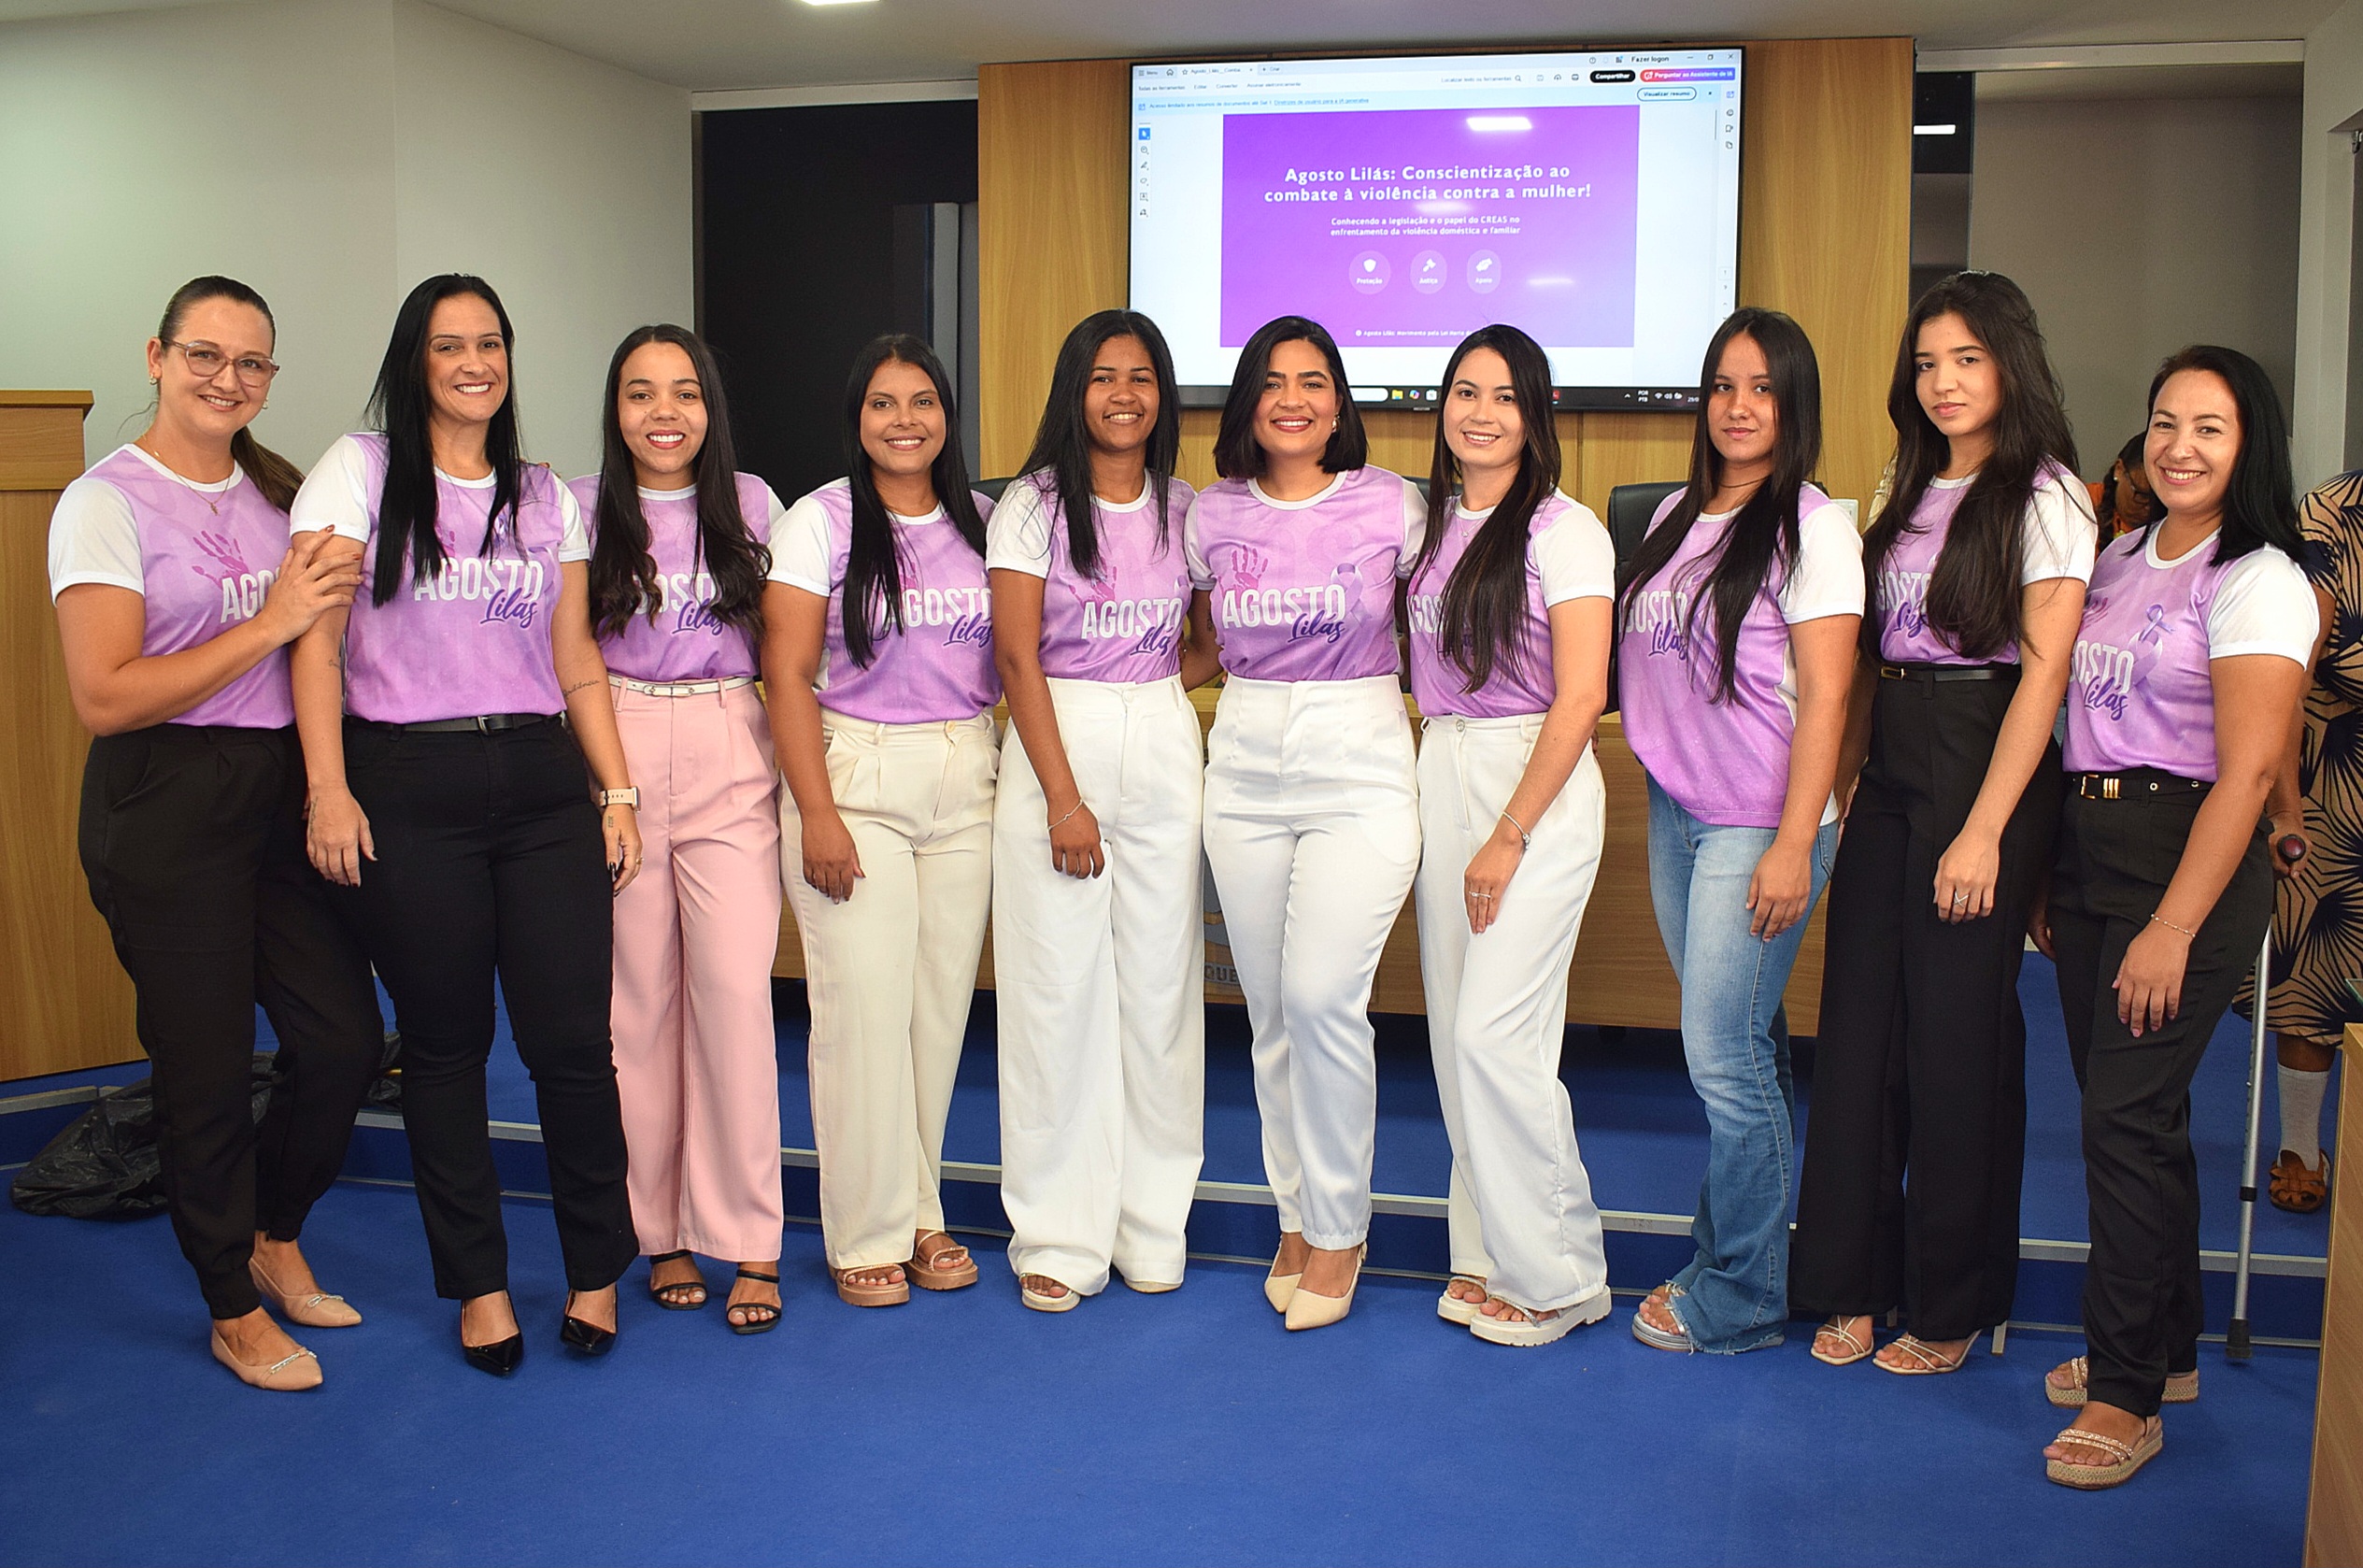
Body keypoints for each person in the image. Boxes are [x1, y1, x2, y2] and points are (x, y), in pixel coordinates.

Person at [291, 274, 643, 1377]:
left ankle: (595, 1269)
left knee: (572, 1044)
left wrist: (617, 791)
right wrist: (327, 786)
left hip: (540, 780)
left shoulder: (545, 494)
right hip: (406, 778)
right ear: (415, 360)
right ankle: (479, 1285)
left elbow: (576, 657)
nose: (474, 363)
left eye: (490, 343)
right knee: (446, 1047)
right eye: (449, 345)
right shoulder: (358, 472)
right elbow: (315, 643)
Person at [50, 276, 384, 1391]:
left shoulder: (278, 491)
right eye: (204, 354)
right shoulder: (103, 501)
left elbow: (324, 645)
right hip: (164, 795)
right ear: (157, 356)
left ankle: (273, 1233)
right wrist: (271, 620)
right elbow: (106, 695)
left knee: (341, 1038)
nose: (226, 379)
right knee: (202, 1068)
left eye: (250, 363)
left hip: (276, 791)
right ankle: (231, 1307)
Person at [1791, 272, 2096, 1374]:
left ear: (2011, 362)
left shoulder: (2050, 495)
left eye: (1966, 358)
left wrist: (1985, 833)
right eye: (1927, 363)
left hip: (1987, 763)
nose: (1943, 382)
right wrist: (1841, 789)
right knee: (1859, 1032)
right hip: (1895, 765)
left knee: (1957, 1043)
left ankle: (1953, 1302)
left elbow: (2044, 677)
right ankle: (1850, 1282)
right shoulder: (1906, 482)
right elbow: (1871, 655)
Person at [2030, 345, 2314, 1489]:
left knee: (2124, 1119)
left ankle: (2126, 1390)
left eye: (2210, 427)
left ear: (2251, 446)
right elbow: (2073, 722)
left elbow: (2249, 774)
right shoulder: (2117, 556)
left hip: (2185, 857)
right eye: (2164, 422)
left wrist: (2174, 926)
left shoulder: (2259, 578)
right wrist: (2052, 871)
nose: (2179, 447)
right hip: (2091, 846)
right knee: (2133, 1114)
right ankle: (2169, 1346)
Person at [1616, 307, 1863, 1355]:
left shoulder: (1815, 525)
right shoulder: (1676, 514)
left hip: (1760, 823)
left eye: (1762, 388)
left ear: (1794, 402)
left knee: (1723, 1058)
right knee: (1741, 1048)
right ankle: (1726, 1254)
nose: (1739, 406)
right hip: (1678, 812)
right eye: (1723, 385)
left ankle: (1745, 1293)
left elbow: (1831, 694)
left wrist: (1795, 842)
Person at [1188, 315, 1427, 1332]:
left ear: (1339, 403)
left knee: (1324, 995)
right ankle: (1294, 1216)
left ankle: (1340, 1227)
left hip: (1359, 756)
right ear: (1247, 402)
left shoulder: (1394, 504)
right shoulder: (1209, 513)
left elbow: (1438, 624)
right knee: (1272, 1010)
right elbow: (1197, 643)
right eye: (1273, 381)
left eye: (1314, 381)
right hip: (1244, 758)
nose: (1293, 399)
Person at [988, 311, 1219, 1311]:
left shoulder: (1186, 507)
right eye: (1103, 376)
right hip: (1059, 742)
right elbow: (1014, 657)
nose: (1123, 395)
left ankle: (1150, 1225)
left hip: (1161, 735)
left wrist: (1151, 695)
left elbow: (1208, 643)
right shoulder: (1032, 506)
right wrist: (1064, 797)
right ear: (1073, 391)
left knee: (1162, 993)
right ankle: (1058, 1233)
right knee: (1056, 996)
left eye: (1141, 377)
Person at [763, 334, 997, 1308]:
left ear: (947, 415)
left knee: (935, 1018)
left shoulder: (984, 520)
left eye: (922, 402)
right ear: (856, 418)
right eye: (883, 404)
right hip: (854, 779)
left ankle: (921, 1212)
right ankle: (864, 1230)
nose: (905, 421)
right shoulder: (816, 522)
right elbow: (785, 674)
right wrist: (816, 811)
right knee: (861, 1015)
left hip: (966, 777)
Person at [1404, 324, 1616, 1347]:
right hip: (1441, 763)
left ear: (1536, 415)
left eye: (1503, 395)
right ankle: (1488, 1249)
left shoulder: (1567, 531)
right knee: (1458, 1037)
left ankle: (1563, 1274)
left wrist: (1509, 831)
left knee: (1498, 1036)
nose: (1480, 413)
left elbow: (1582, 696)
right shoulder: (1431, 522)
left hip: (1533, 783)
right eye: (1464, 392)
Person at [572, 325, 788, 1333]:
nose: (664, 412)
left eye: (685, 392)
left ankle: (751, 1236)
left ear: (711, 408)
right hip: (616, 744)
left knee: (737, 994)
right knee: (638, 1005)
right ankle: (656, 1230)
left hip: (727, 735)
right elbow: (565, 651)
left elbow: (787, 644)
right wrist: (606, 784)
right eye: (640, 393)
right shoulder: (577, 507)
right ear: (615, 410)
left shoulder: (753, 504)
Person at [2237, 468, 2360, 1214]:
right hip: (2335, 773)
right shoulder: (2334, 514)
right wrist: (2284, 806)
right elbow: (2292, 673)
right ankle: (2300, 1146)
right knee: (2311, 973)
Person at [2098, 433, 2162, 538]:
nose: (2149, 508)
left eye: (2159, 500)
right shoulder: (2082, 503)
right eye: (2142, 496)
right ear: (2119, 470)